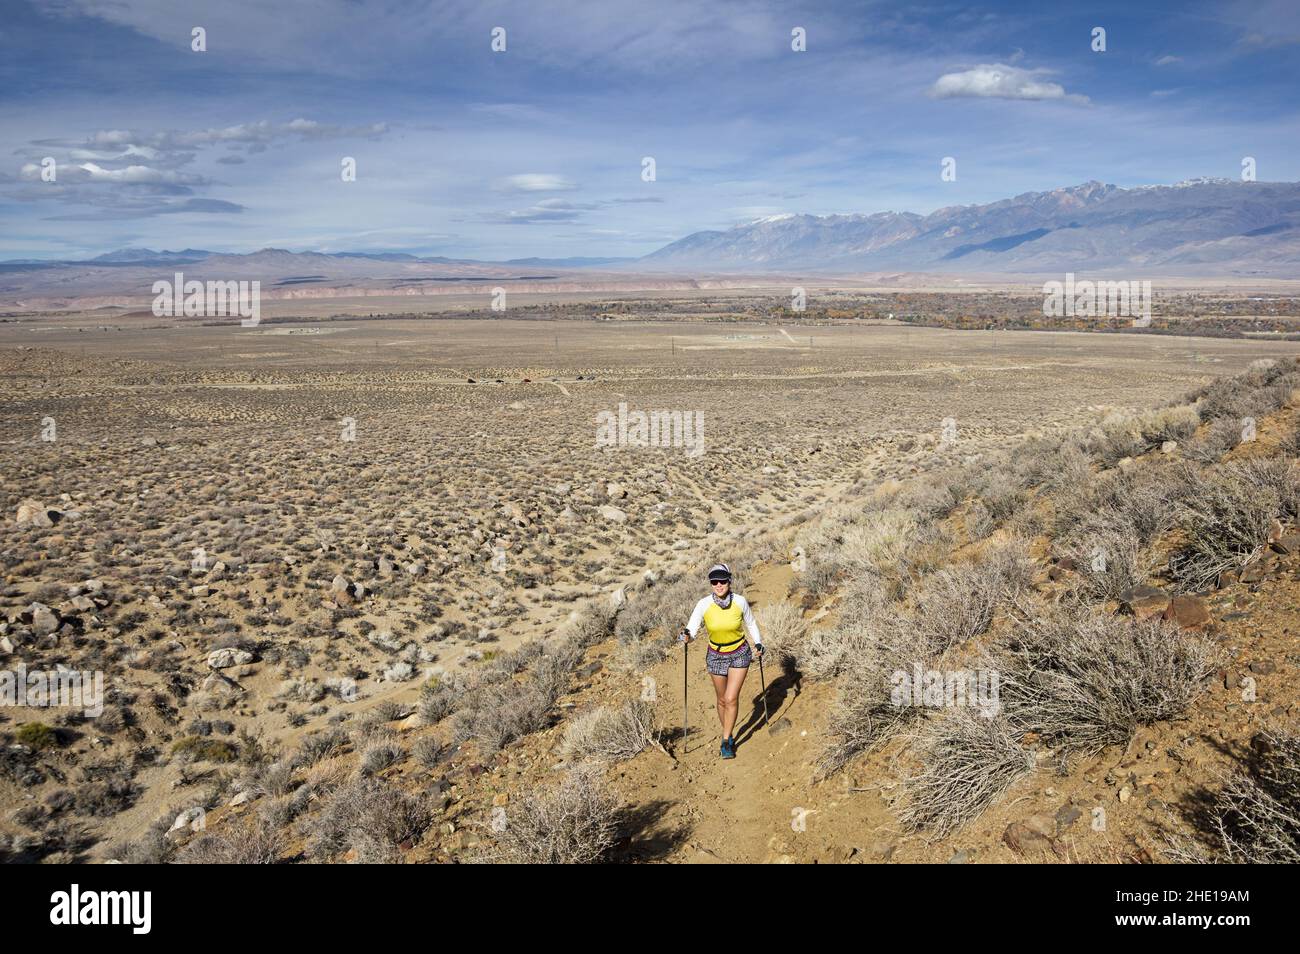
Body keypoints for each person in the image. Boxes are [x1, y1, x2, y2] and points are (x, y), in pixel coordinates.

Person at [679, 563, 764, 759]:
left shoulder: (740, 602)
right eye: (714, 581)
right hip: (716, 655)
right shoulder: (703, 604)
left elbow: (751, 623)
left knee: (730, 698)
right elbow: (691, 628)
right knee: (721, 699)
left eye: (722, 580)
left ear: (729, 581)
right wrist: (686, 636)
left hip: (739, 652)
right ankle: (729, 731)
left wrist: (758, 643)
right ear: (711, 584)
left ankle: (726, 741)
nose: (719, 585)